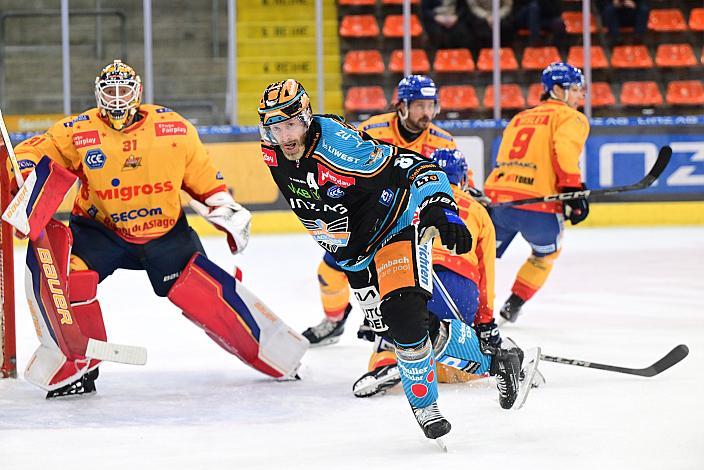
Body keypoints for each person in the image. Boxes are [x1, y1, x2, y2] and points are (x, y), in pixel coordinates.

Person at [6, 60, 306, 398]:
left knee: (205, 293)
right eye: (109, 91)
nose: (116, 98)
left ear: (138, 93)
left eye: (123, 90)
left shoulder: (173, 128)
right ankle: (78, 364)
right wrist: (25, 170)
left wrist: (224, 209)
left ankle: (276, 354)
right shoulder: (79, 129)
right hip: (101, 229)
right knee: (68, 278)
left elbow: (205, 180)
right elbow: (36, 149)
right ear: (97, 94)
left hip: (165, 234)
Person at [258, 78, 525, 441]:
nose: (283, 135)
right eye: (274, 127)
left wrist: (440, 208)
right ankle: (496, 360)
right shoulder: (271, 149)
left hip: (394, 227)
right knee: (397, 330)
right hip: (354, 256)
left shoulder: (336, 145)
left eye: (289, 125)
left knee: (406, 321)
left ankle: (427, 410)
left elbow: (415, 166)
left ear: (305, 119)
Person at [301, 75, 457, 348]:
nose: (427, 113)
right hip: (366, 217)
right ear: (402, 106)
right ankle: (334, 320)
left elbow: (453, 183)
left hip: (410, 224)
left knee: (401, 278)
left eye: (431, 105)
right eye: (419, 105)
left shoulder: (444, 141)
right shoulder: (374, 128)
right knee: (329, 271)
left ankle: (388, 322)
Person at [353, 148, 502, 398]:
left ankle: (387, 360)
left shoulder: (405, 199)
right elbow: (486, 270)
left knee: (399, 322)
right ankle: (479, 362)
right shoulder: (477, 209)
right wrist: (485, 322)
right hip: (459, 288)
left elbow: (382, 250)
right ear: (464, 179)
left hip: (415, 275)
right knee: (453, 350)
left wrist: (375, 313)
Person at [484, 62, 590, 323]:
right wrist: (573, 190)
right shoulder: (571, 117)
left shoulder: (520, 117)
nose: (581, 95)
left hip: (499, 202)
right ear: (556, 90)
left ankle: (471, 307)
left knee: (479, 256)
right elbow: (564, 150)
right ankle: (514, 303)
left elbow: (502, 158)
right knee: (545, 256)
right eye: (575, 89)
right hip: (538, 206)